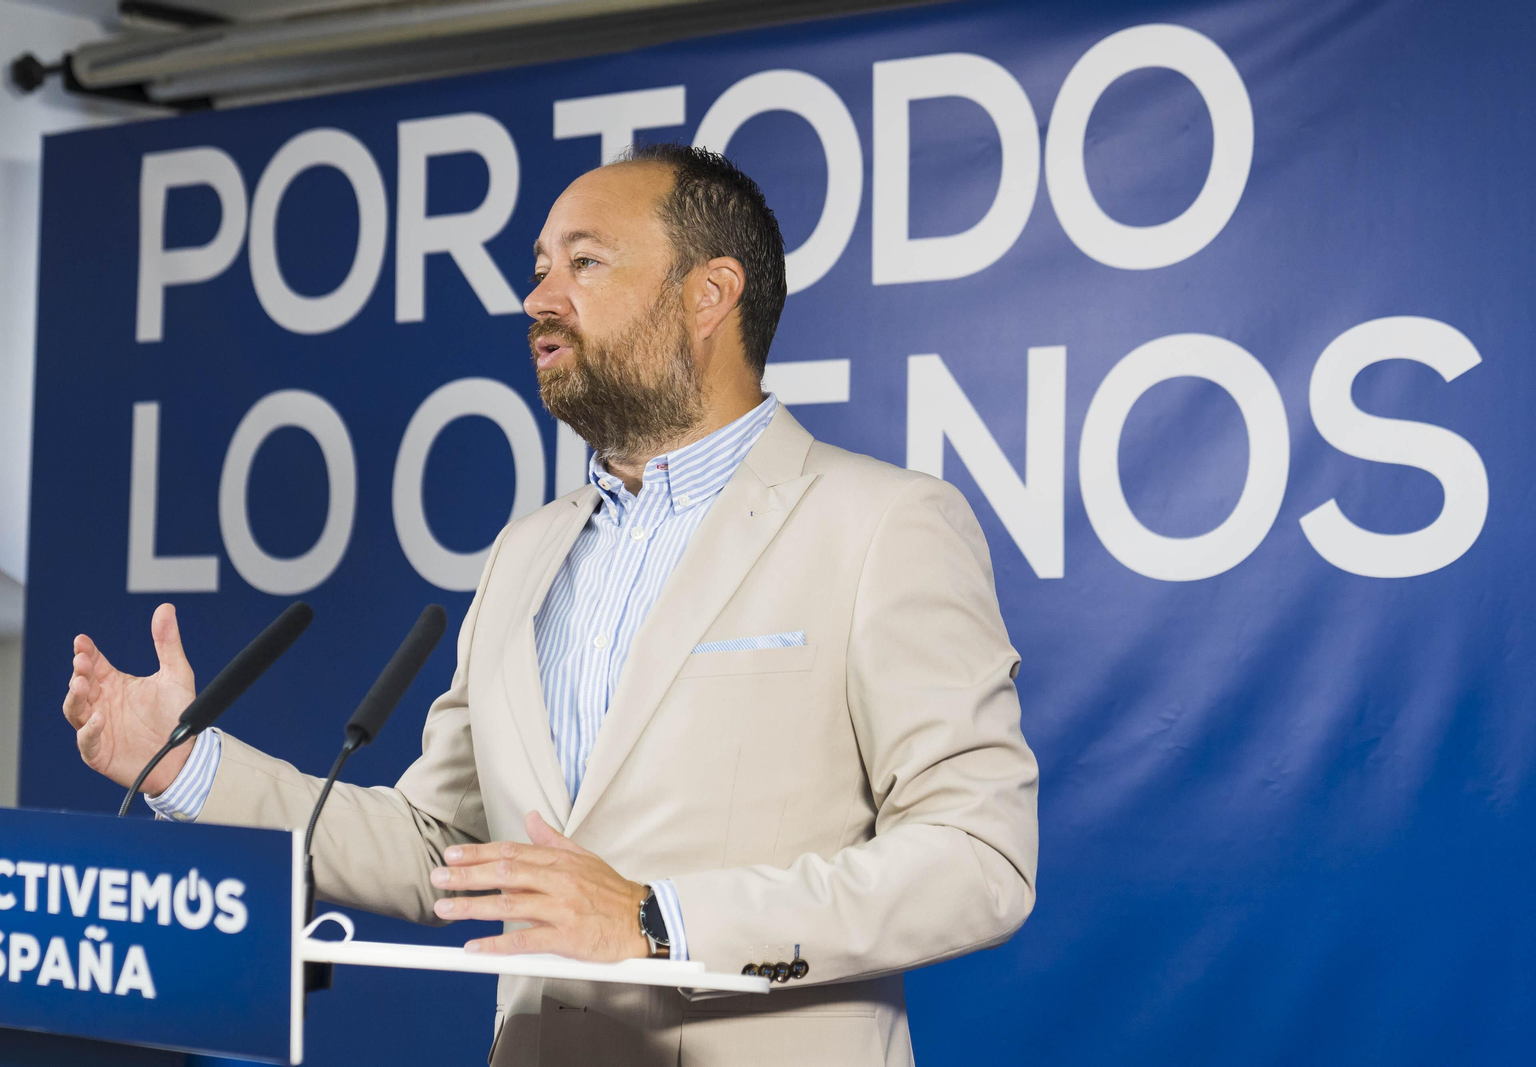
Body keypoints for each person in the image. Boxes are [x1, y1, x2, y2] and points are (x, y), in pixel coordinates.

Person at [63, 145, 1038, 1066]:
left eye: (585, 262)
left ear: (709, 293)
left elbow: (977, 858)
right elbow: (445, 845)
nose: (538, 298)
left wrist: (655, 919)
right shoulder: (523, 555)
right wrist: (188, 766)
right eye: (538, 269)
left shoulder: (883, 524)